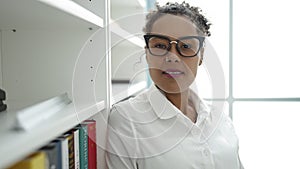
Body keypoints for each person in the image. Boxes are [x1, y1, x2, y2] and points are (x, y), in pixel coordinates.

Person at [106, 2, 243, 169]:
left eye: (185, 46)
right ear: (147, 53)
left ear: (201, 55)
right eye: (160, 46)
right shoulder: (126, 120)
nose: (172, 57)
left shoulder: (220, 119)